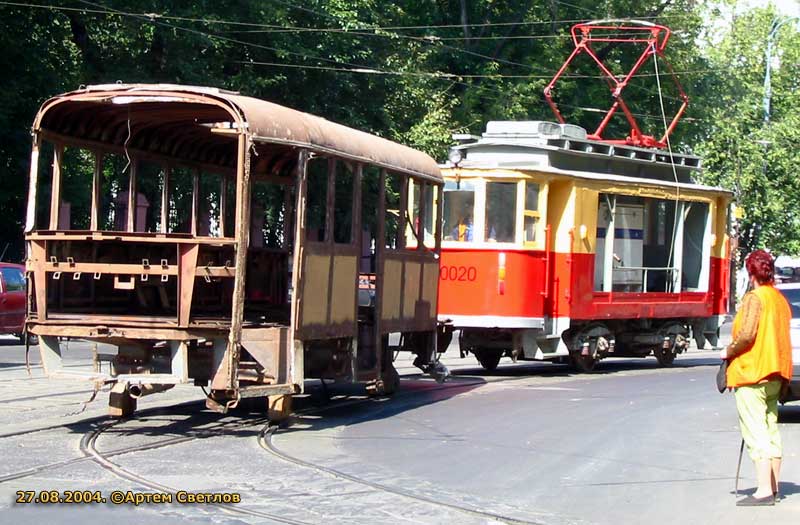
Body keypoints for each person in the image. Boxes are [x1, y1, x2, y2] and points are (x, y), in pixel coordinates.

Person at [720, 249, 793, 506]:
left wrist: (727, 351)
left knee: (756, 431)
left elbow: (748, 335)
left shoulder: (755, 298)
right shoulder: (779, 300)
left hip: (753, 373)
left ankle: (763, 490)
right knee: (771, 428)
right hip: (776, 373)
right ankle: (772, 486)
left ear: (751, 273)